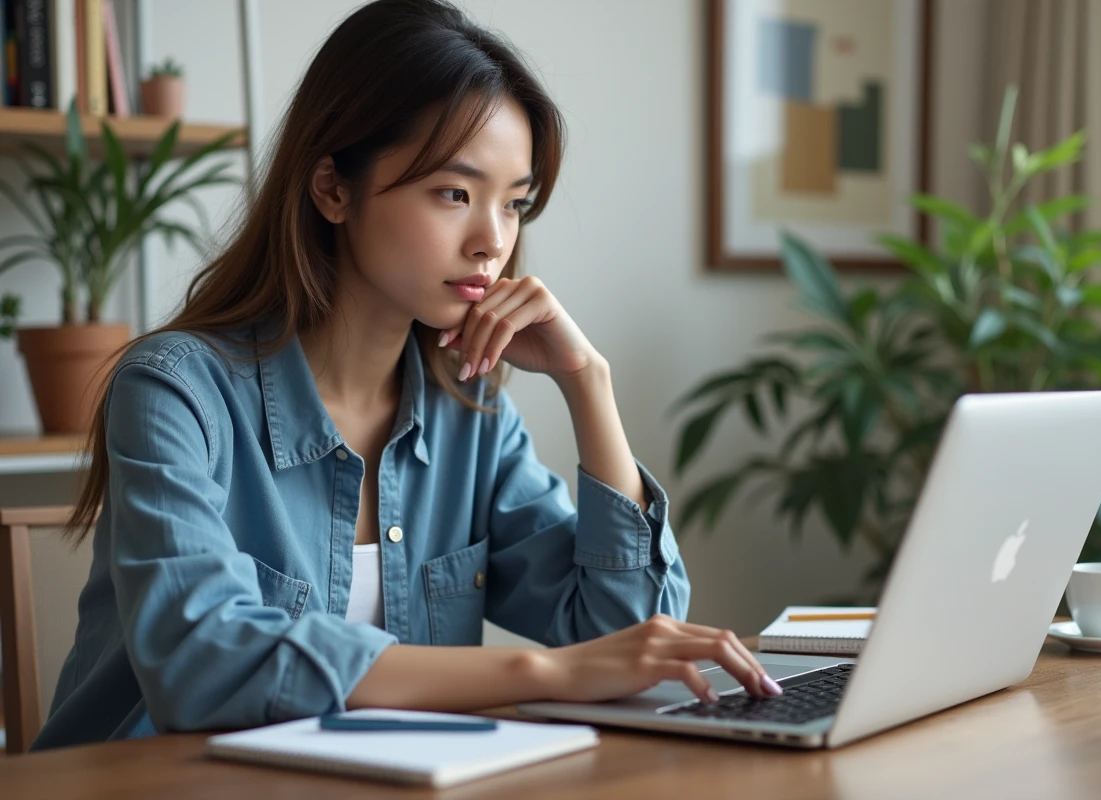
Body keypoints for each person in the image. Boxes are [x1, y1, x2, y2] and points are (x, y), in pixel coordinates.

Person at [32, 0, 781, 750]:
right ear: (332, 187)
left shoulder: (470, 411)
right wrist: (539, 674)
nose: (492, 241)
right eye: (454, 193)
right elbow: (203, 664)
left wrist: (588, 382)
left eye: (514, 204)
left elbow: (623, 641)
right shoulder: (175, 392)